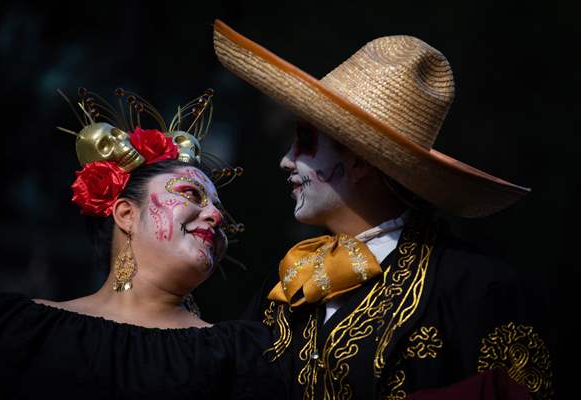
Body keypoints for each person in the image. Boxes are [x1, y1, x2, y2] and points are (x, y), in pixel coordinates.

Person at [212, 20, 554, 399]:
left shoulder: (475, 286)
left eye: (305, 143)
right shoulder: (286, 285)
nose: (286, 161)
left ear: (359, 162)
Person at [0, 88, 284, 399]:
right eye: (191, 194)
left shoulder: (241, 356)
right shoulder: (20, 329)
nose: (215, 216)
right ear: (126, 214)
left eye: (219, 208)